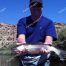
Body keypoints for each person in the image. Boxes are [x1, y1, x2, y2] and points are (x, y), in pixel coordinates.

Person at [17, 0, 57, 66]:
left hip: (43, 58)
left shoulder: (49, 22)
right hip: (25, 58)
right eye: (33, 5)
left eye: (38, 5)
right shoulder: (22, 21)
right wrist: (21, 44)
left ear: (42, 8)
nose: (36, 7)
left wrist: (46, 48)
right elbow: (21, 37)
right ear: (29, 7)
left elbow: (48, 41)